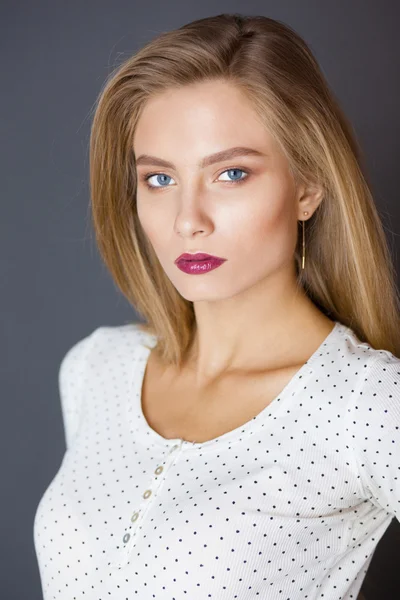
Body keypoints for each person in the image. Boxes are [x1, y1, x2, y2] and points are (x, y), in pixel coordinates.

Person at [33, 12, 400, 600]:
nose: (187, 220)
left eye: (231, 173)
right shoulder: (97, 368)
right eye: (158, 179)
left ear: (307, 186)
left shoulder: (366, 407)